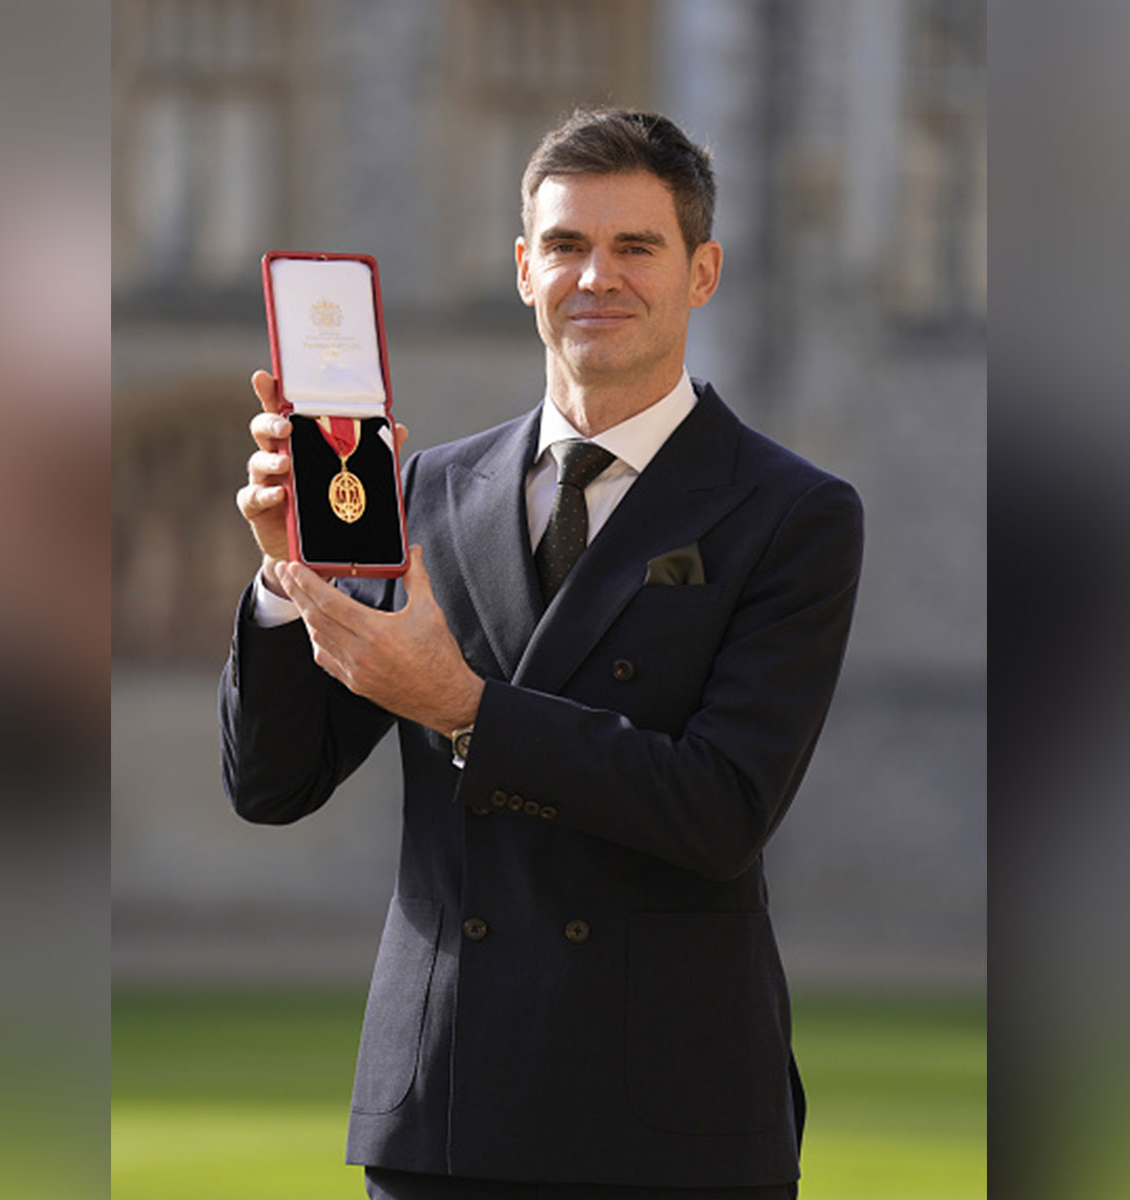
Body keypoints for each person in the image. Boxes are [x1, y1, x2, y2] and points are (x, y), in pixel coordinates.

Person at [223, 109, 862, 1199]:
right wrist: (290, 583)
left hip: (671, 1114)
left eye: (635, 247)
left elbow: (720, 810)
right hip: (445, 1110)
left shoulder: (791, 512)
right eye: (565, 246)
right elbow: (275, 786)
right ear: (524, 270)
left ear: (701, 273)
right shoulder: (425, 491)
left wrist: (470, 710)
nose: (594, 277)